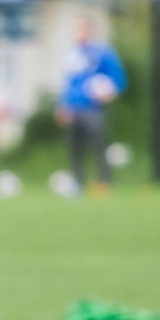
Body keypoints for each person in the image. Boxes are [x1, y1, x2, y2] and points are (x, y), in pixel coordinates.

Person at [57, 17, 127, 197]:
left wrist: (111, 92)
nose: (79, 34)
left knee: (98, 146)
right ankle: (78, 185)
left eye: (82, 30)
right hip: (74, 108)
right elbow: (68, 82)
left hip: (93, 109)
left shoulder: (102, 52)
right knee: (75, 149)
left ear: (90, 31)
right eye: (76, 30)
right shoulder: (72, 54)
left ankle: (104, 183)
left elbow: (118, 77)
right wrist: (63, 105)